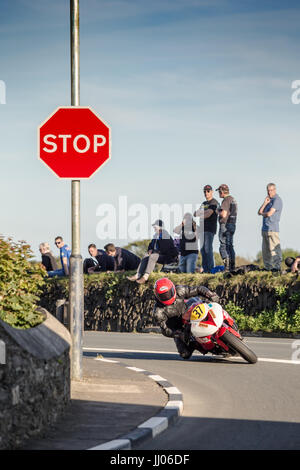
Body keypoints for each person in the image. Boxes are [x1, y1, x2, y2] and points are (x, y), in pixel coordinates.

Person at [153, 277, 219, 359]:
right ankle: (198, 345)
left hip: (192, 311)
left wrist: (210, 294)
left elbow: (198, 289)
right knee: (185, 354)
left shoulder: (180, 290)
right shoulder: (158, 312)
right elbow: (165, 329)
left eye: (168, 293)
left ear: (173, 289)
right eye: (163, 296)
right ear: (157, 296)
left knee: (213, 306)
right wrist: (178, 334)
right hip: (180, 327)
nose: (166, 297)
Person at [127, 220, 179, 284]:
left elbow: (164, 249)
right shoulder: (156, 236)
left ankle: (145, 277)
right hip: (158, 255)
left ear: (160, 227)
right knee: (146, 255)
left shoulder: (166, 235)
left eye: (155, 226)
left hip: (168, 257)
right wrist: (150, 250)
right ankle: (138, 274)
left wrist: (154, 251)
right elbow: (150, 245)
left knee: (153, 256)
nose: (154, 228)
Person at [194, 185, 219, 273]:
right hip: (202, 229)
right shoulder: (204, 203)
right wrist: (202, 213)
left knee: (208, 249)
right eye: (205, 191)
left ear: (212, 192)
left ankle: (211, 269)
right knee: (203, 249)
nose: (206, 193)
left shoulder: (214, 202)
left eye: (208, 191)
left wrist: (201, 213)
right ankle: (206, 270)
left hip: (210, 229)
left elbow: (208, 214)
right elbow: (195, 213)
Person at [258, 183, 283, 272]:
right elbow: (259, 212)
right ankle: (267, 267)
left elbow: (269, 214)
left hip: (272, 228)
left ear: (275, 190)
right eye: (268, 190)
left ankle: (277, 267)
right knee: (265, 250)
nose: (269, 192)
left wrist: (262, 214)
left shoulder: (277, 200)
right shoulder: (269, 200)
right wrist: (265, 203)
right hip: (264, 228)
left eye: (271, 190)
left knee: (274, 249)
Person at [216, 184, 238, 272]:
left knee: (223, 246)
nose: (218, 193)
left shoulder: (226, 200)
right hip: (232, 224)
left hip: (225, 225)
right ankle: (232, 266)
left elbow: (224, 214)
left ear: (222, 191)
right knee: (230, 245)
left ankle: (227, 267)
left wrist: (217, 211)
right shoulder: (233, 199)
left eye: (219, 191)